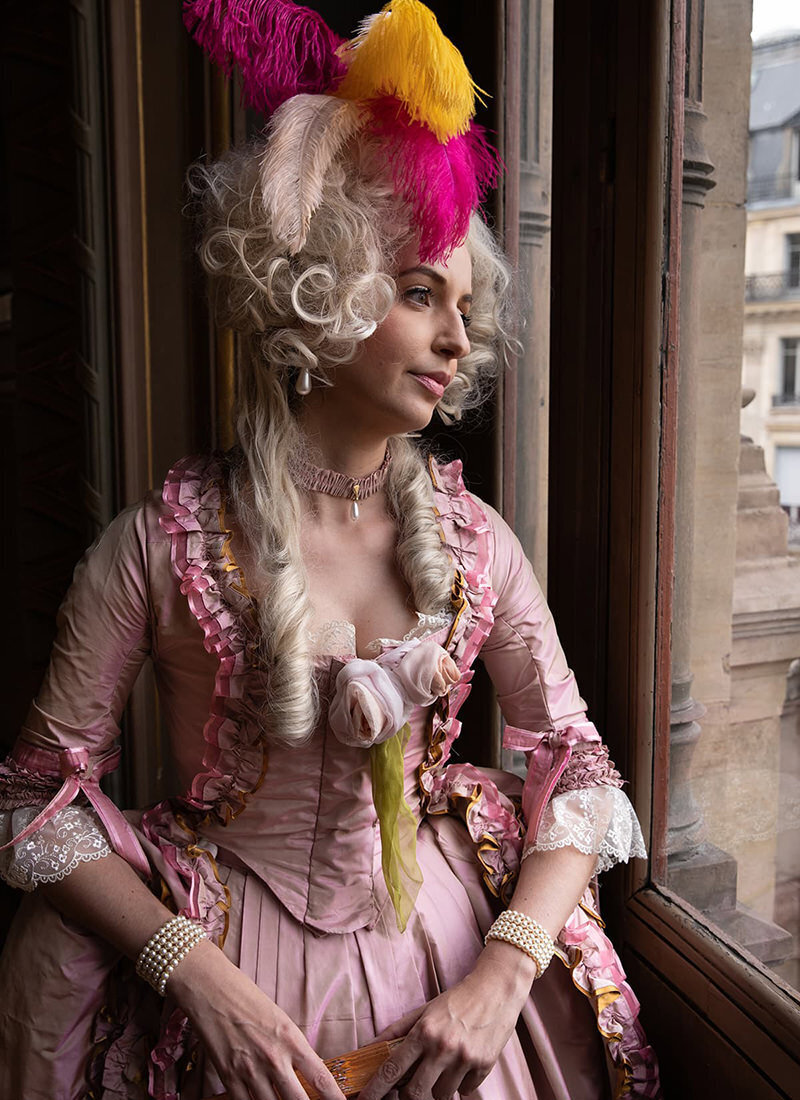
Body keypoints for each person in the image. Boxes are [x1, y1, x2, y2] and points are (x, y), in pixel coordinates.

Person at [0, 2, 661, 1098]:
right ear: (319, 289)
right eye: (417, 293)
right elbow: (31, 796)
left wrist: (505, 966)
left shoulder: (475, 541)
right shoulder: (156, 545)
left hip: (446, 957)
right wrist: (189, 970)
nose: (457, 336)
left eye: (461, 301)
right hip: (229, 971)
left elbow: (578, 767)